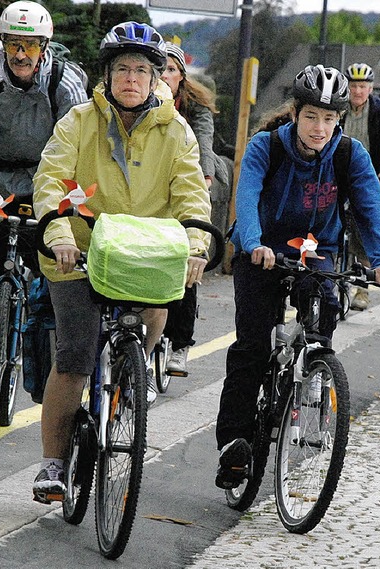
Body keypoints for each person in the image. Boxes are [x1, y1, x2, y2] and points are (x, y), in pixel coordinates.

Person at [31, 21, 211, 503]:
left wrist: (196, 245)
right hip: (80, 251)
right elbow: (51, 182)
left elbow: (191, 195)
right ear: (107, 76)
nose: (131, 79)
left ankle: (133, 373)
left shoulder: (177, 131)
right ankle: (52, 463)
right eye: (122, 69)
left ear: (157, 80)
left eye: (141, 71)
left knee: (156, 311)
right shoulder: (77, 122)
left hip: (145, 253)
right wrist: (58, 234)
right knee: (74, 356)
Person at [214, 64, 380, 489]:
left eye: (330, 118)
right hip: (262, 250)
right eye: (312, 116)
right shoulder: (267, 146)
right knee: (253, 346)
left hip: (317, 250)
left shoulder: (350, 153)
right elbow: (247, 195)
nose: (320, 127)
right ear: (296, 113)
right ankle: (234, 446)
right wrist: (254, 242)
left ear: (340, 119)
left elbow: (371, 207)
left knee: (325, 310)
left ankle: (314, 375)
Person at [0, 1, 88, 403]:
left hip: (46, 180)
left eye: (30, 45)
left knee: (53, 270)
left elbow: (80, 145)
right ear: (3, 44)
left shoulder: (65, 79)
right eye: (13, 44)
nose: (21, 55)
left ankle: (47, 359)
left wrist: (72, 201)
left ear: (44, 46)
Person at [159, 42, 220, 376]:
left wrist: (206, 176)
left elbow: (203, 145)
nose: (164, 75)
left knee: (188, 260)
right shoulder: (141, 101)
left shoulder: (195, 108)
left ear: (181, 76)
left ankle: (180, 345)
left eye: (171, 69)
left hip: (186, 183)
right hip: (151, 190)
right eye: (160, 69)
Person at [341, 62, 380, 311]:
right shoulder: (337, 107)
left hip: (368, 175)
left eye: (363, 86)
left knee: (365, 225)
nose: (357, 91)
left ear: (371, 88)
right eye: (354, 86)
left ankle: (363, 290)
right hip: (337, 171)